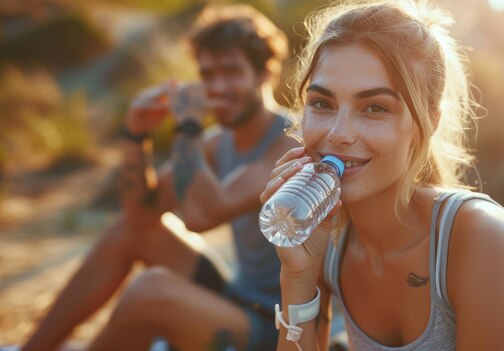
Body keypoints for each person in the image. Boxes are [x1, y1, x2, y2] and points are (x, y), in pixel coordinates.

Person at [260, 0, 504, 350]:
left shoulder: (482, 237)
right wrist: (298, 277)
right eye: (322, 103)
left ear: (428, 122)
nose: (338, 132)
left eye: (375, 107)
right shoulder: (325, 239)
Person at [21, 4, 297, 351]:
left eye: (231, 71)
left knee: (150, 291)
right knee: (131, 231)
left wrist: (188, 125)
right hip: (238, 298)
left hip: (280, 329)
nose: (217, 86)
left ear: (263, 73)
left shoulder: (291, 141)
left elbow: (202, 215)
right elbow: (140, 214)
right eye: (208, 75)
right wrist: (136, 135)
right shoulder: (216, 143)